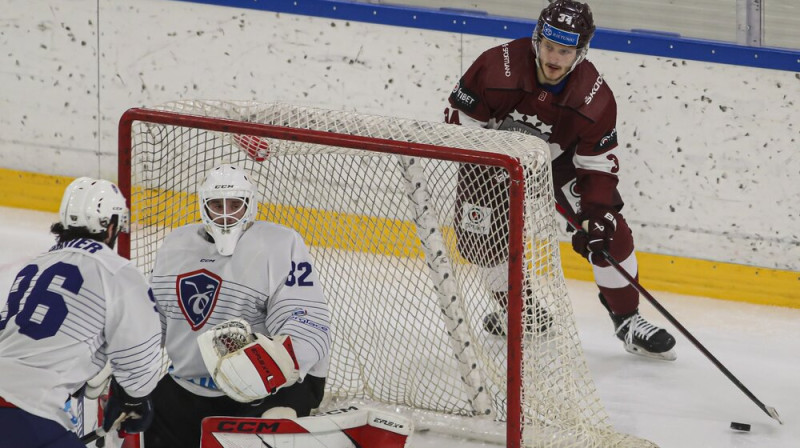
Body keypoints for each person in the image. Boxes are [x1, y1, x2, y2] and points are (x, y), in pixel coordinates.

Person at [444, 0, 676, 360]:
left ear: (580, 52)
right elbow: (460, 117)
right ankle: (523, 312)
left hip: (560, 163)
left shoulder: (594, 97)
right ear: (537, 39)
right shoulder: (496, 66)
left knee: (607, 230)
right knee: (480, 237)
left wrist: (596, 212)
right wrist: (491, 158)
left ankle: (628, 320)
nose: (554, 58)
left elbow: (597, 165)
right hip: (491, 161)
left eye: (565, 51)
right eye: (549, 46)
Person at [144, 163, 331, 448]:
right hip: (188, 385)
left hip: (267, 390)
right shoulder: (175, 246)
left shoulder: (279, 245)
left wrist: (275, 362)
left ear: (251, 205)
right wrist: (121, 359)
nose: (226, 213)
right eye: (217, 205)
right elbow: (151, 321)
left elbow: (306, 320)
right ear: (203, 206)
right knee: (143, 417)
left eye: (235, 204)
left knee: (277, 418)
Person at [0, 177, 162, 447]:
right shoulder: (117, 272)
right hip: (28, 410)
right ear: (111, 228)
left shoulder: (36, 265)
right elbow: (139, 356)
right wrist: (134, 397)